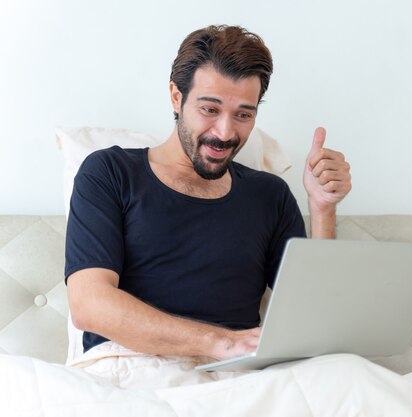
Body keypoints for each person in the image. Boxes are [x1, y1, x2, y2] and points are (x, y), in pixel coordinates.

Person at [65, 25, 351, 362]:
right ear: (176, 96)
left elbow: (312, 321)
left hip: (239, 379)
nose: (225, 132)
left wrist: (322, 208)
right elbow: (89, 304)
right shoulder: (109, 173)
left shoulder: (269, 195)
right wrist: (220, 343)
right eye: (210, 109)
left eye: (243, 114)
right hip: (131, 367)